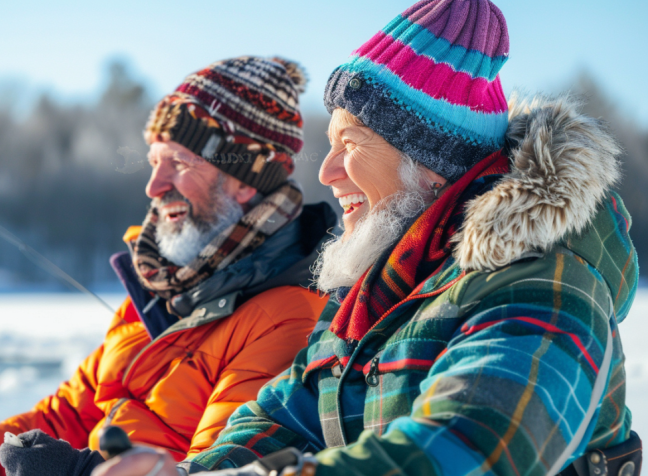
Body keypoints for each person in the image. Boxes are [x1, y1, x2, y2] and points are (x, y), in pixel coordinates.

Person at [93, 1, 640, 475]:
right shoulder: (374, 293)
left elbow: (467, 449)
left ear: (430, 165)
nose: (326, 172)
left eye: (350, 143)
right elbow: (282, 419)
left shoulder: (545, 285)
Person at [0, 56, 336, 476]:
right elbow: (63, 419)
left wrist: (81, 470)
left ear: (245, 180)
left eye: (179, 163)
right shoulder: (161, 292)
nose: (154, 185)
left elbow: (219, 468)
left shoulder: (288, 317)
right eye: (154, 163)